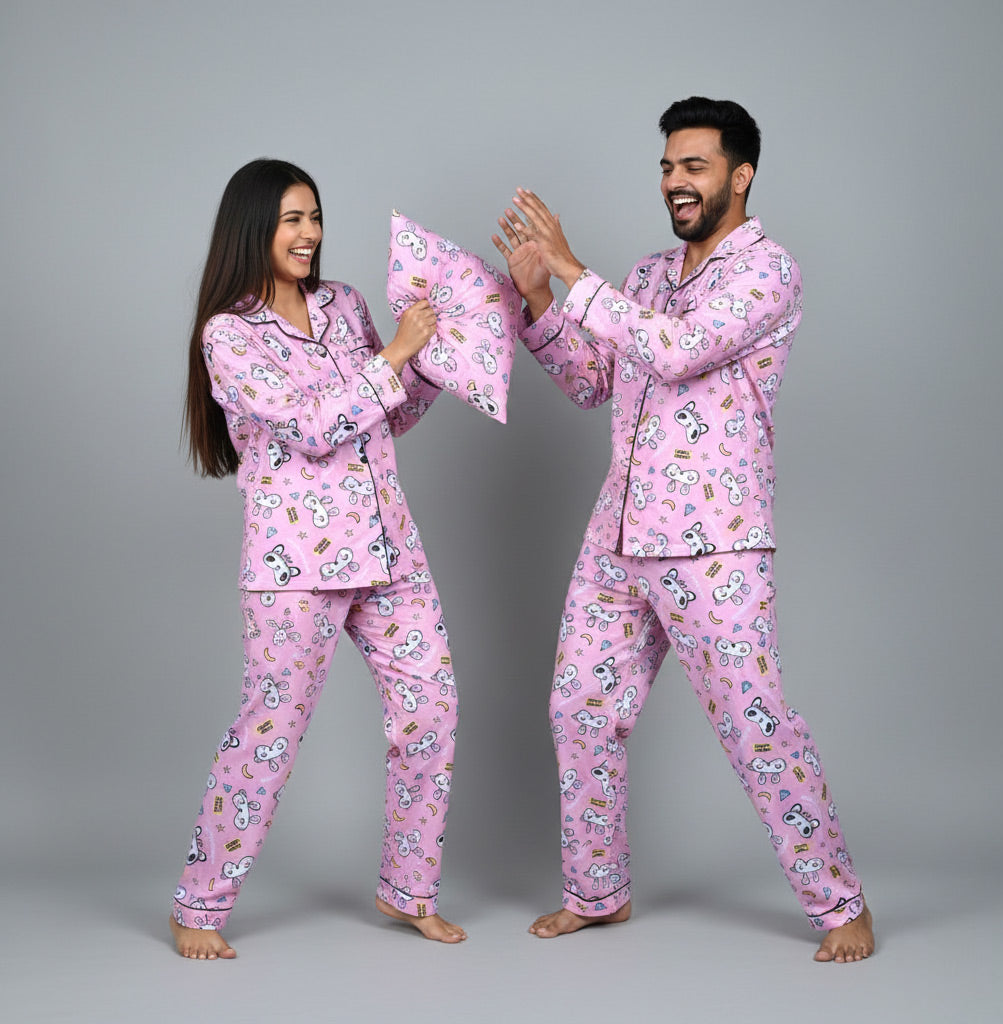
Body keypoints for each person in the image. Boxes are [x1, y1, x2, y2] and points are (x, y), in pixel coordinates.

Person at [492, 97, 874, 963]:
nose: (676, 182)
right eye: (668, 166)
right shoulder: (650, 273)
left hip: (715, 542)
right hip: (619, 534)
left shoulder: (768, 271)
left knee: (756, 726)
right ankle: (598, 894)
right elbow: (597, 381)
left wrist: (576, 268)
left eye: (695, 167)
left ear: (741, 176)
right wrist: (541, 300)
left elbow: (674, 351)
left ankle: (840, 902)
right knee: (581, 712)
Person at [170, 159, 465, 959]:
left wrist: (433, 355)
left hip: (388, 549)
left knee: (431, 711)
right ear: (253, 226)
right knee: (268, 733)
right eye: (292, 219)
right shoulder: (227, 334)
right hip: (294, 563)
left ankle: (409, 889)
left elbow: (385, 415)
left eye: (316, 217)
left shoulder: (345, 307)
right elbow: (309, 426)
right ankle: (199, 905)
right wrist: (397, 353)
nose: (310, 234)